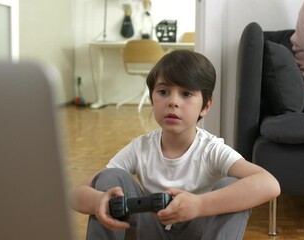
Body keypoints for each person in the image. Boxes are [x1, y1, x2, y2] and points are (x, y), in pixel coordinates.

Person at [69, 50, 281, 240]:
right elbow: (75, 195)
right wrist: (99, 202)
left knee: (233, 187)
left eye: (186, 94)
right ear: (152, 99)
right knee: (111, 177)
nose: (173, 101)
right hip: (149, 231)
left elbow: (270, 184)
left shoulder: (211, 149)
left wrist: (199, 205)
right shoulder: (140, 147)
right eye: (163, 92)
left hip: (198, 231)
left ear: (205, 106)